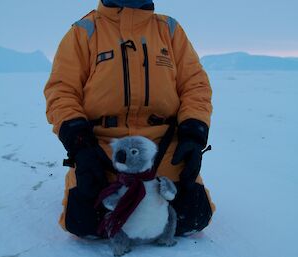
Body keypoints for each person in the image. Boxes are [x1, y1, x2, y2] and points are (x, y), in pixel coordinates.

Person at [44, 0, 215, 237]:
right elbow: (62, 91)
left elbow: (195, 86)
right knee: (85, 224)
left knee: (193, 218)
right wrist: (80, 145)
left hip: (164, 146)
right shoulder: (84, 32)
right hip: (103, 148)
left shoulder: (169, 29)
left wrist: (193, 134)